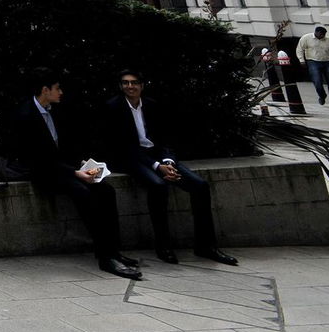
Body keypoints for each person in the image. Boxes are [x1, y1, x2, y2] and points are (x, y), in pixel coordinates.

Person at [12, 68, 140, 279]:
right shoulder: (25, 115)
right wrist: (75, 173)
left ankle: (114, 251)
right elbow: (37, 159)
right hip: (44, 173)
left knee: (106, 191)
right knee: (84, 194)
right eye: (57, 88)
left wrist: (81, 164)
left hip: (63, 168)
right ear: (45, 90)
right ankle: (105, 257)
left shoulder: (54, 110)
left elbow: (63, 147)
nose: (61, 92)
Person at [104, 70, 237, 266]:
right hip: (132, 159)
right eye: (125, 83)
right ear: (120, 86)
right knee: (158, 186)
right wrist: (157, 167)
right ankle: (163, 245)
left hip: (158, 156)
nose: (129, 86)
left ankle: (206, 245)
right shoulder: (113, 107)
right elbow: (124, 147)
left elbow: (166, 139)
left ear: (142, 85)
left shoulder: (151, 105)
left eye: (133, 82)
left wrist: (168, 162)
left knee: (200, 186)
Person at [297, 26, 329, 109]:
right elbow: (300, 49)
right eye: (321, 34)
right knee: (317, 81)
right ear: (316, 32)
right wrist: (301, 60)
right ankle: (322, 95)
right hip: (313, 61)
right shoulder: (306, 38)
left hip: (327, 62)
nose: (323, 36)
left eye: (324, 34)